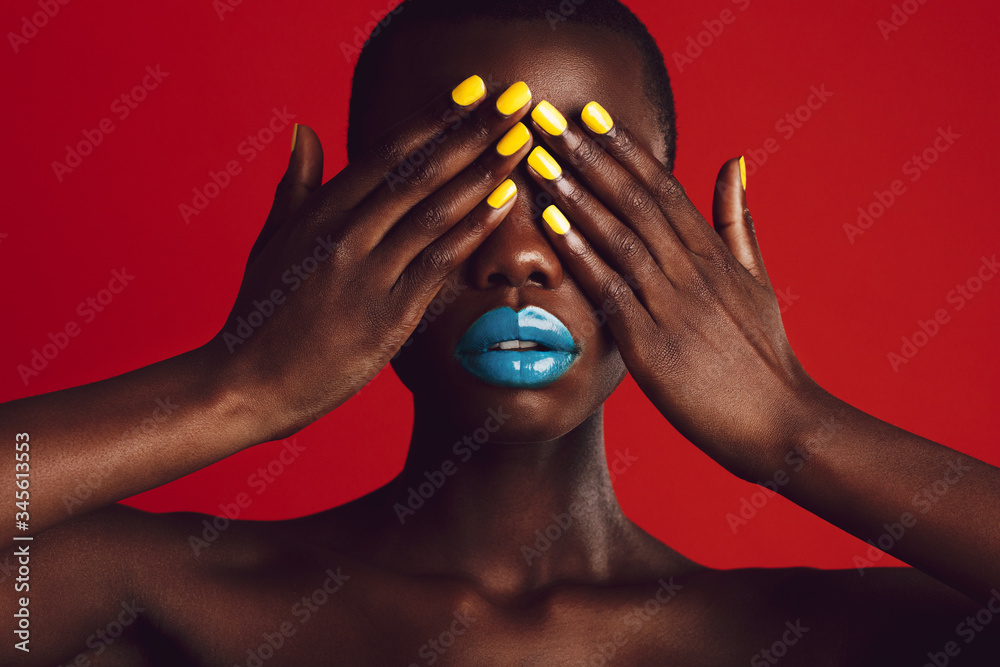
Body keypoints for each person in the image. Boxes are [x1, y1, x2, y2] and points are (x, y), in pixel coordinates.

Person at [3, 0, 999, 664]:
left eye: (582, 190)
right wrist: (236, 389)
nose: (517, 256)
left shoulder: (804, 636)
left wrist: (794, 428)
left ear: (684, 243)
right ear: (333, 229)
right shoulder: (161, 598)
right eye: (452, 188)